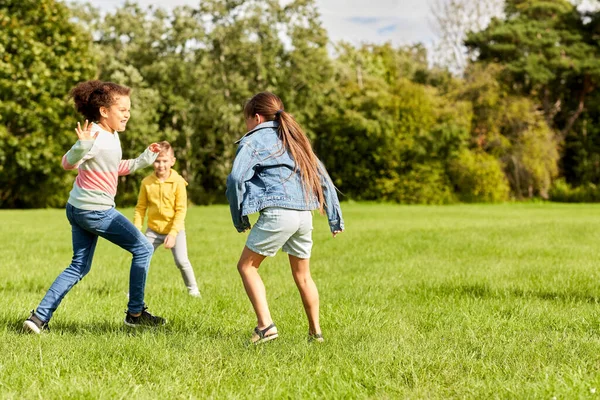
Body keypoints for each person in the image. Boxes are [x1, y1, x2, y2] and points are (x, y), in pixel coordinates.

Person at [23, 80, 166, 334]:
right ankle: (135, 313)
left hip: (78, 208)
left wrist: (144, 159)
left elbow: (115, 167)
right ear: (103, 111)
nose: (127, 114)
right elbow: (67, 163)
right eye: (122, 110)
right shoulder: (96, 137)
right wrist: (82, 146)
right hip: (95, 212)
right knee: (143, 248)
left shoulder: (111, 136)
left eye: (129, 110)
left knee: (79, 265)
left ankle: (37, 319)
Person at [226, 91, 344, 344]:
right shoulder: (295, 139)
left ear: (256, 118)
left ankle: (265, 326)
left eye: (247, 120)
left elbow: (236, 179)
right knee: (303, 276)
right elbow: (324, 179)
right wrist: (335, 218)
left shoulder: (254, 140)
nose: (246, 125)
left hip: (279, 212)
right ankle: (316, 333)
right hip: (304, 215)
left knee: (246, 266)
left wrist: (239, 217)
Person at [133, 141, 201, 297]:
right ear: (152, 162)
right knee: (140, 259)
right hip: (153, 231)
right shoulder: (146, 183)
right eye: (157, 161)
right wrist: (137, 228)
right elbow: (140, 208)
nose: (161, 165)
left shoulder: (178, 182)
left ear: (172, 161)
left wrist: (173, 233)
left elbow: (180, 210)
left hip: (174, 230)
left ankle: (193, 290)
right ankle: (135, 292)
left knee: (182, 261)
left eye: (165, 161)